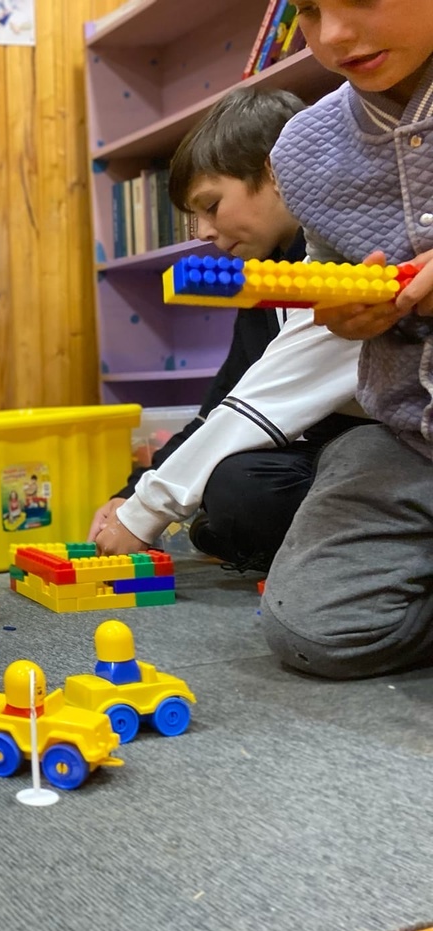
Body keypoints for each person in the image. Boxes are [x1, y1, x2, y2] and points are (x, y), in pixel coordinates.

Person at [88, 86, 370, 570]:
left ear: (277, 172)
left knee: (243, 495)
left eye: (212, 206)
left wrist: (144, 512)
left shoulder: (341, 252)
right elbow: (223, 400)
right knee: (238, 484)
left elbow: (264, 399)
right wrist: (133, 491)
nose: (203, 233)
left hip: (375, 447)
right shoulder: (263, 273)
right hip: (319, 457)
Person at [258, 0, 433, 679]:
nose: (332, 34)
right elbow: (325, 277)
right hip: (408, 441)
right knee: (309, 630)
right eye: (308, 9)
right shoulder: (304, 149)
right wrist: (339, 314)